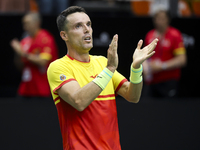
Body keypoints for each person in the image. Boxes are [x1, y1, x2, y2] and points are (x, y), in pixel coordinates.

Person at [47, 6, 158, 150]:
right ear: (64, 35)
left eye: (88, 24)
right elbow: (79, 101)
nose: (87, 29)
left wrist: (136, 68)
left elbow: (133, 96)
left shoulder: (101, 62)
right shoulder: (58, 67)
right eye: (78, 26)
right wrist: (110, 69)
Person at [10, 12, 58, 98]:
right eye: (23, 23)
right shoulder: (25, 40)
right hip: (26, 87)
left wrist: (22, 53)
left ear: (37, 23)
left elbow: (43, 62)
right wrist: (17, 53)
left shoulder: (45, 38)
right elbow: (20, 66)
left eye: (27, 23)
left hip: (41, 88)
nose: (25, 27)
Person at [143, 9, 187, 98]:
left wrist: (162, 66)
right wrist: (145, 67)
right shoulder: (150, 35)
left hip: (169, 80)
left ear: (168, 20)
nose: (160, 21)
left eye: (163, 18)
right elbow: (144, 57)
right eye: (158, 18)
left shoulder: (175, 35)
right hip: (152, 81)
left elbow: (182, 60)